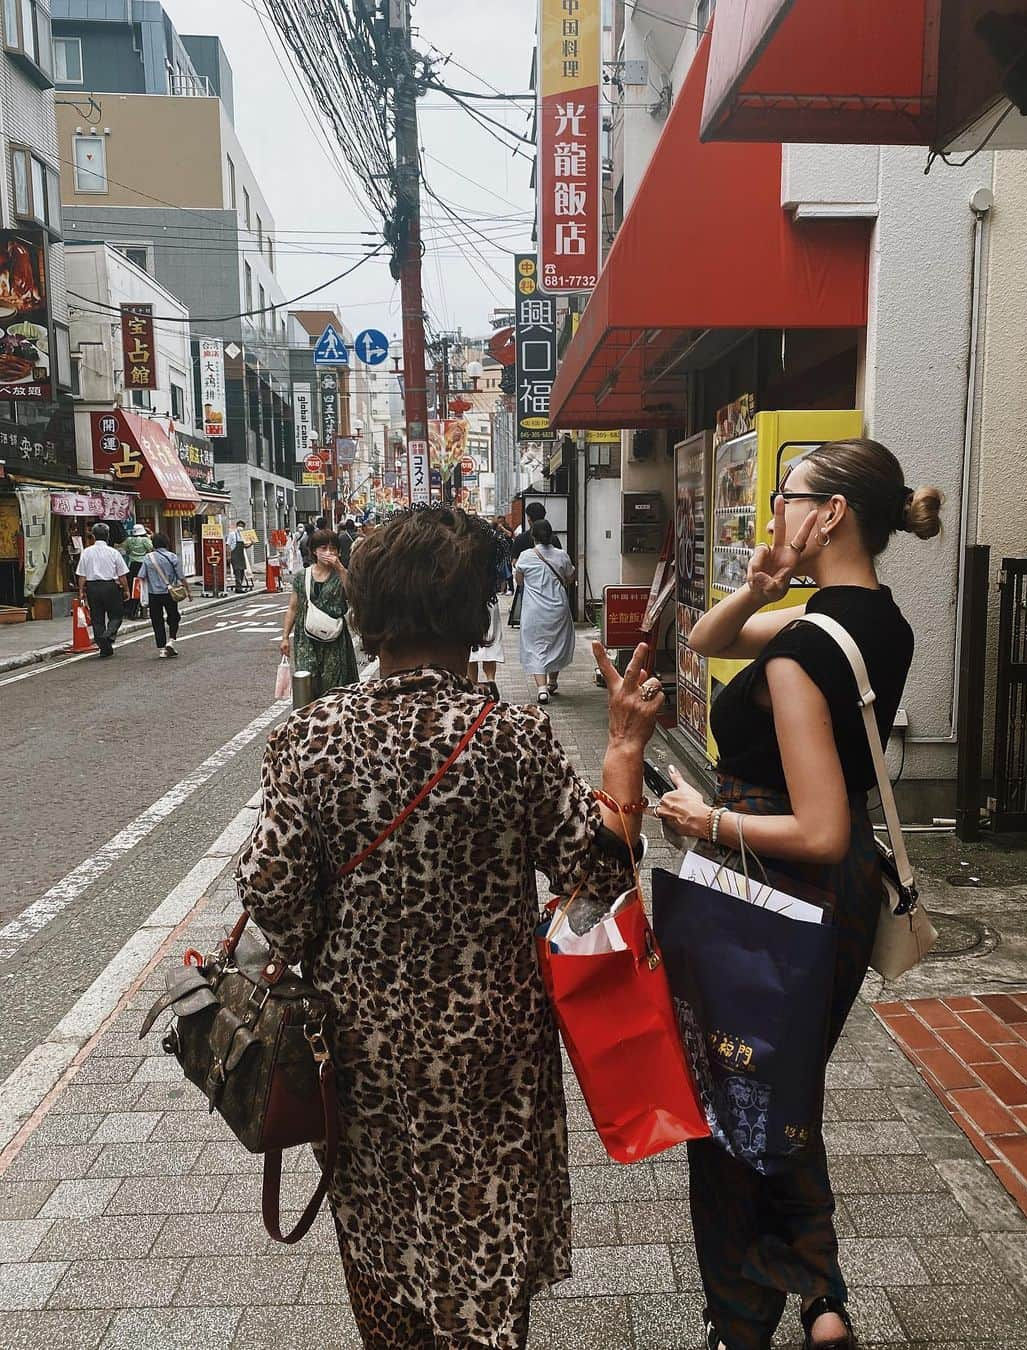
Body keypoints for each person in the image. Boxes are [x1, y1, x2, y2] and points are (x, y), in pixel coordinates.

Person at [237, 505, 664, 1349]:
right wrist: (621, 746)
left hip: (356, 1061)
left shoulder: (310, 741)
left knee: (386, 1256)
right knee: (485, 1248)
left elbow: (274, 903)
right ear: (476, 615)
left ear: (368, 614)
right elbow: (598, 876)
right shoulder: (508, 738)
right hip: (491, 1057)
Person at [655, 439, 943, 1350]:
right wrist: (761, 584)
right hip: (839, 888)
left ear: (832, 515)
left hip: (775, 881)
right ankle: (820, 1297)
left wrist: (708, 824)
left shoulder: (804, 652)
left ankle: (744, 1320)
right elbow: (703, 643)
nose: (774, 507)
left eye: (789, 495)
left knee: (731, 1105)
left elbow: (813, 825)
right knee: (778, 1086)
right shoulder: (869, 617)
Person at [279, 527, 358, 698]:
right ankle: (308, 720)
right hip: (306, 636)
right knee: (307, 679)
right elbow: (293, 607)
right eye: (323, 548)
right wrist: (285, 637)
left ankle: (332, 721)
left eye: (333, 549)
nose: (328, 552)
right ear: (314, 551)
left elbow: (353, 596)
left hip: (334, 637)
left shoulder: (341, 574)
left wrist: (340, 568)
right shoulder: (302, 576)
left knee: (334, 683)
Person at [515, 517, 575, 704]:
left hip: (534, 609)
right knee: (557, 642)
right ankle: (553, 681)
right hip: (558, 607)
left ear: (533, 536)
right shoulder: (562, 555)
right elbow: (571, 578)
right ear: (551, 535)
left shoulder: (525, 556)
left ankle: (541, 689)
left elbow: (519, 581)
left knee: (535, 645)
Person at [76, 523, 130, 658]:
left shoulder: (86, 552)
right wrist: (126, 589)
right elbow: (122, 574)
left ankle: (105, 648)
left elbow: (82, 574)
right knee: (116, 615)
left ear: (93, 536)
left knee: (97, 618)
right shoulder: (113, 552)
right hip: (110, 586)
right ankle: (109, 633)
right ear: (108, 536)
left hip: (92, 587)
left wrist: (81, 590)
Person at [138, 531, 191, 659]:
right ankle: (171, 641)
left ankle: (162, 648)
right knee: (174, 617)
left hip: (153, 594)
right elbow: (181, 576)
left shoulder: (147, 558)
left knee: (157, 621)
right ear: (166, 543)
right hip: (170, 593)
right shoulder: (172, 557)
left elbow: (141, 576)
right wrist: (188, 591)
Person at [467, 597, 504, 698]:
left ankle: (473, 686)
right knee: (489, 642)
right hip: (489, 600)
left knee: (470, 646)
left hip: (468, 599)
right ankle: (491, 681)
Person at [121, 524, 154, 617]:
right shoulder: (145, 540)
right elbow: (150, 549)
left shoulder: (129, 540)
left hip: (132, 565)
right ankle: (144, 610)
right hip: (143, 564)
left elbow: (126, 550)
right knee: (144, 586)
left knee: (133, 586)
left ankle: (131, 610)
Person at [226, 520, 249, 592]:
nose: (240, 528)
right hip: (234, 555)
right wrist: (228, 556)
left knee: (242, 571)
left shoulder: (243, 535)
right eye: (239, 526)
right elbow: (228, 545)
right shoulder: (232, 534)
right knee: (237, 571)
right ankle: (238, 588)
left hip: (241, 555)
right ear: (236, 526)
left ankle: (239, 587)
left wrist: (251, 543)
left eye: (242, 526)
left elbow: (245, 546)